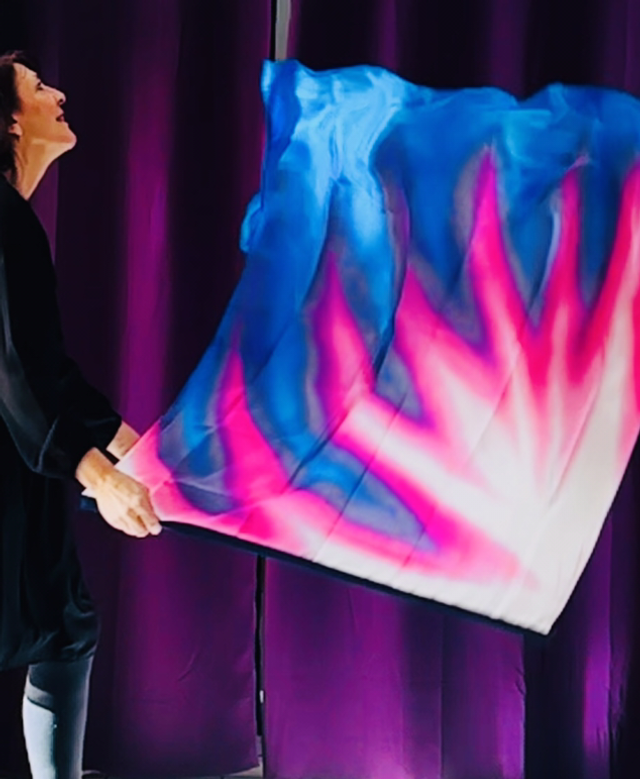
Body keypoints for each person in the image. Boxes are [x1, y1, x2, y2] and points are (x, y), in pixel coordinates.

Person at [0, 51, 162, 779]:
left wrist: (141, 452)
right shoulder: (4, 218)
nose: (57, 92)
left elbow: (49, 374)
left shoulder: (14, 217)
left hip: (25, 469)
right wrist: (102, 477)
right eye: (37, 87)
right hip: (19, 466)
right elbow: (17, 375)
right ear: (9, 121)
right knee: (62, 631)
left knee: (66, 629)